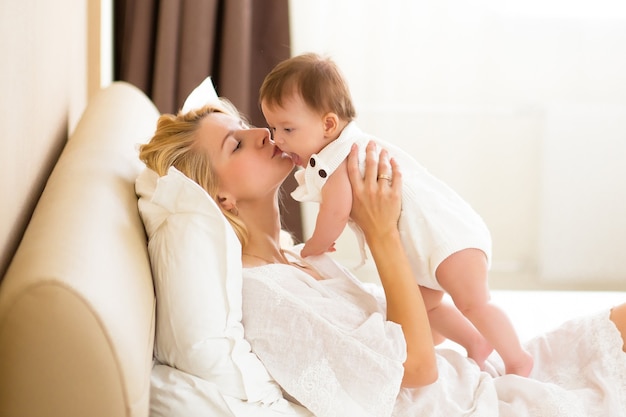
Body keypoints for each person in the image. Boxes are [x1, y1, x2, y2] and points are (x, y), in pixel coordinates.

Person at [138, 98, 626, 416]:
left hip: (475, 379)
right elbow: (414, 369)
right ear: (218, 198)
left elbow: (409, 330)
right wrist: (383, 233)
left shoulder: (297, 259)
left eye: (247, 126)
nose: (263, 134)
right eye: (236, 144)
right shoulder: (262, 294)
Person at [259, 52, 533, 376]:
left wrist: (314, 246)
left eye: (287, 129)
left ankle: (518, 359)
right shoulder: (346, 147)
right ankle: (475, 342)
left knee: (474, 303)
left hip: (448, 239)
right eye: (272, 128)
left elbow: (335, 210)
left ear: (328, 124)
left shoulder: (339, 157)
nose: (277, 139)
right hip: (428, 245)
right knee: (425, 306)